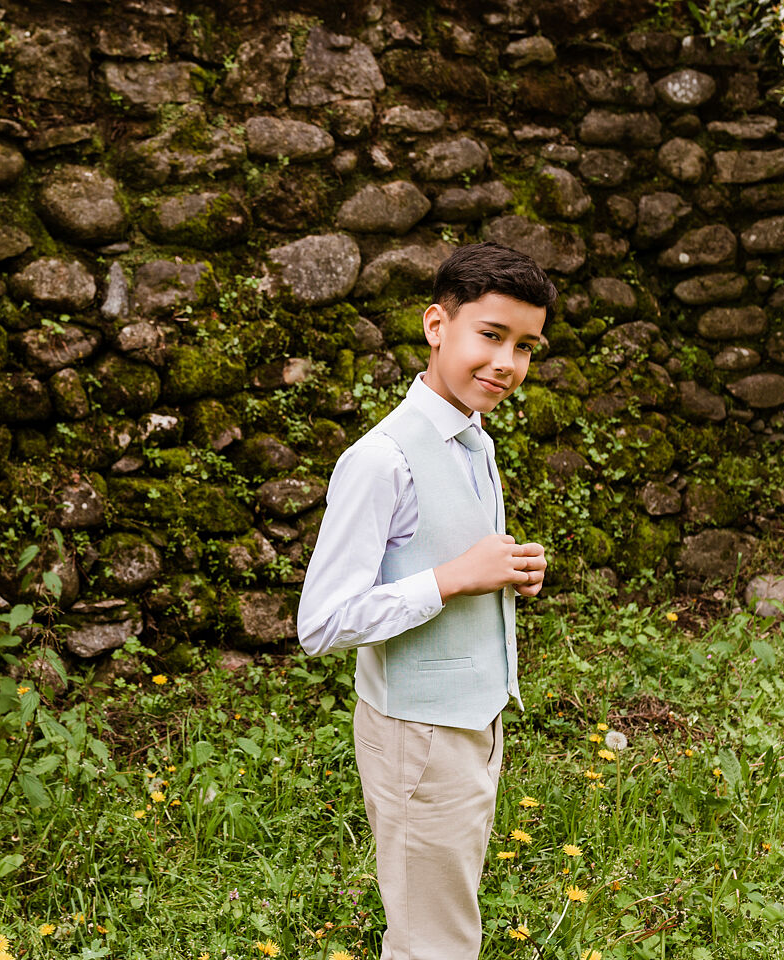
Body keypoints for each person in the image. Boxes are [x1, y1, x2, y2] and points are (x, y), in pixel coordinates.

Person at [297, 242, 554, 959]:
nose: (507, 363)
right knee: (432, 942)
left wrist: (505, 571)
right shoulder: (382, 459)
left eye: (526, 347)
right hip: (419, 735)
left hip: (471, 722)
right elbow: (321, 623)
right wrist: (451, 579)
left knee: (446, 922)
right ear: (436, 325)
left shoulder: (474, 438)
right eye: (491, 336)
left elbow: (451, 556)